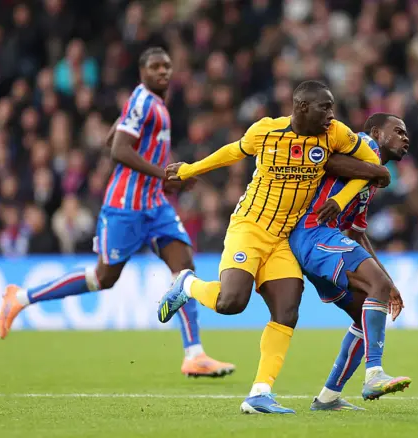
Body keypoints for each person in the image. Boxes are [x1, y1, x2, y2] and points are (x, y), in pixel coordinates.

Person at [0, 47, 235, 378]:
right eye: (155, 67)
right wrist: (166, 175)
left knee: (184, 268)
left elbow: (113, 137)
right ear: (142, 72)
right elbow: (119, 149)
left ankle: (194, 354)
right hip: (124, 208)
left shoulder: (152, 104)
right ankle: (20, 297)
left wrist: (163, 180)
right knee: (102, 278)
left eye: (167, 66)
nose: (163, 71)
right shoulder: (143, 101)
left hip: (155, 205)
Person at [158, 80, 389, 414]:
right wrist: (190, 169)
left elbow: (372, 169)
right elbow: (233, 151)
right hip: (250, 227)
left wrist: (339, 199)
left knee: (287, 311)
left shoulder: (336, 133)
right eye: (324, 107)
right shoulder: (266, 131)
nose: (331, 115)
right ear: (301, 107)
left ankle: (259, 393)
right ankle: (187, 284)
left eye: (332, 107)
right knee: (231, 302)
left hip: (284, 237)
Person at [289, 113, 411, 411]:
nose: (405, 138)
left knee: (362, 316)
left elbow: (356, 235)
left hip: (323, 238)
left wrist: (387, 282)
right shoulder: (362, 145)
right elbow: (325, 160)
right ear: (376, 133)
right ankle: (374, 374)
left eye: (407, 134)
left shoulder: (369, 180)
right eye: (397, 131)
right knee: (376, 287)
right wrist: (380, 283)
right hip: (312, 232)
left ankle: (328, 398)